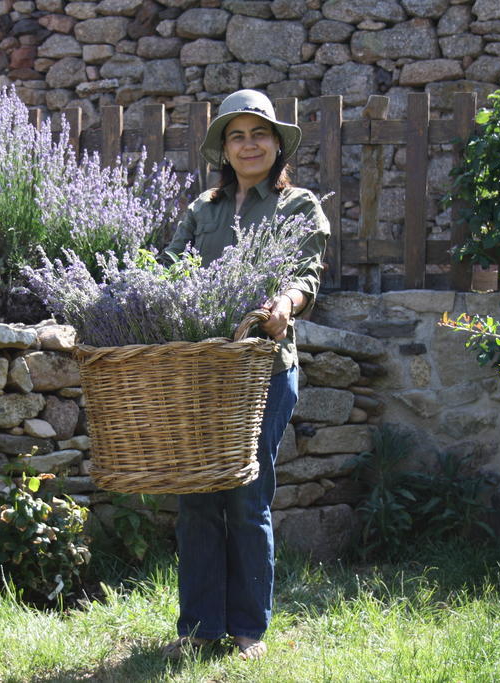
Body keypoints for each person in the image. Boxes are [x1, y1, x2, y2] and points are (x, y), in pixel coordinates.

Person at [160, 89, 331, 661]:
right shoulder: (200, 211)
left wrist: (286, 301)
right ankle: (199, 627)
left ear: (277, 144)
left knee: (246, 494)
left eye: (259, 133)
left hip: (264, 368)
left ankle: (248, 628)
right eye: (237, 135)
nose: (249, 143)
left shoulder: (298, 205)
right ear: (224, 149)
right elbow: (165, 272)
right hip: (200, 374)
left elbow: (307, 272)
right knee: (196, 497)